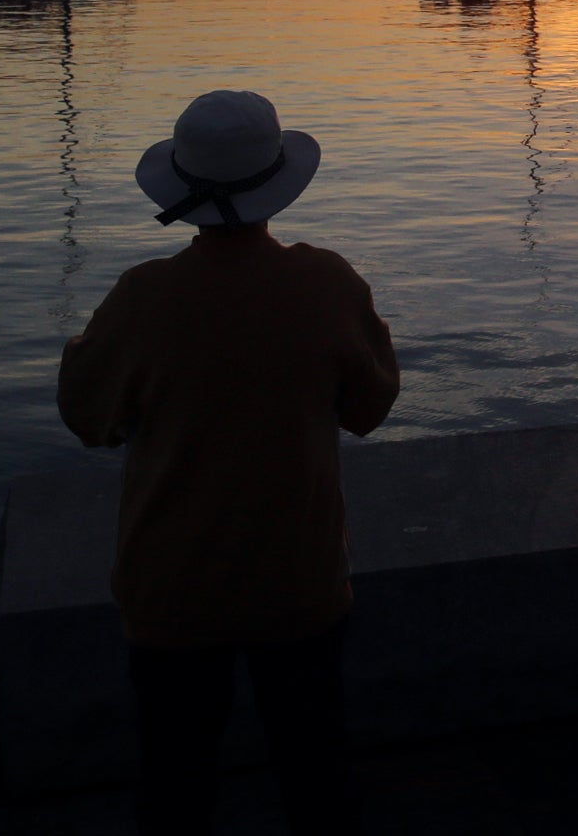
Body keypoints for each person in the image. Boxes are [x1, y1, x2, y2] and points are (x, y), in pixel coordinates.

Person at [59, 89, 400, 835]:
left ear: (182, 185)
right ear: (276, 180)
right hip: (300, 579)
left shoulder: (143, 297)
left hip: (171, 590)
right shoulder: (326, 284)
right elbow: (370, 407)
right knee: (316, 778)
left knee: (174, 785)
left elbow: (89, 419)